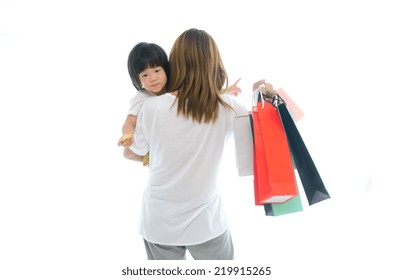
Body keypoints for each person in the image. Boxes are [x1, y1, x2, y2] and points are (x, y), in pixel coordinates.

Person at [123, 28, 275, 260]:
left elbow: (132, 152)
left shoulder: (150, 108)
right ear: (214, 62)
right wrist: (261, 98)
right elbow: (265, 139)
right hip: (207, 221)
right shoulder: (229, 107)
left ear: (174, 63)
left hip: (159, 220)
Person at [118, 41, 241, 166]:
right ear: (137, 80)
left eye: (157, 71)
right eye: (145, 75)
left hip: (166, 139)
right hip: (148, 142)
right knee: (127, 153)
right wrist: (127, 135)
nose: (153, 78)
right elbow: (129, 122)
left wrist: (226, 90)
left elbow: (200, 92)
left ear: (165, 69)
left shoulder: (172, 87)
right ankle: (150, 159)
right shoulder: (142, 97)